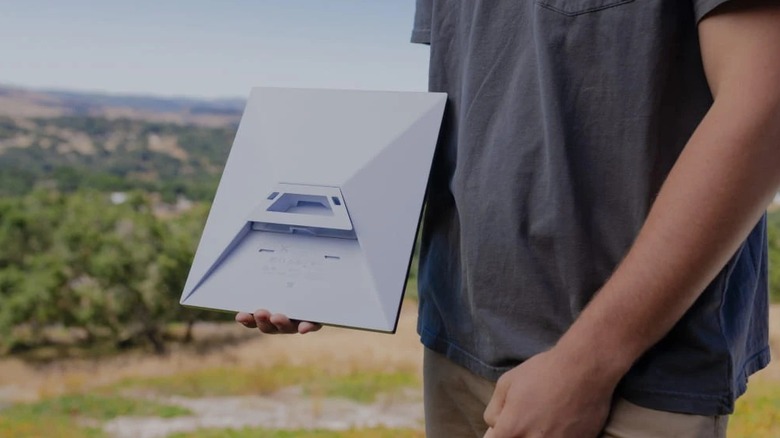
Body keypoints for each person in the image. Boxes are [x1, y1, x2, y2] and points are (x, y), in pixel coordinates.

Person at [236, 0, 780, 436]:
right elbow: (481, 114)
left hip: (623, 379)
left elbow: (766, 105)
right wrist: (325, 261)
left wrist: (588, 364)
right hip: (457, 345)